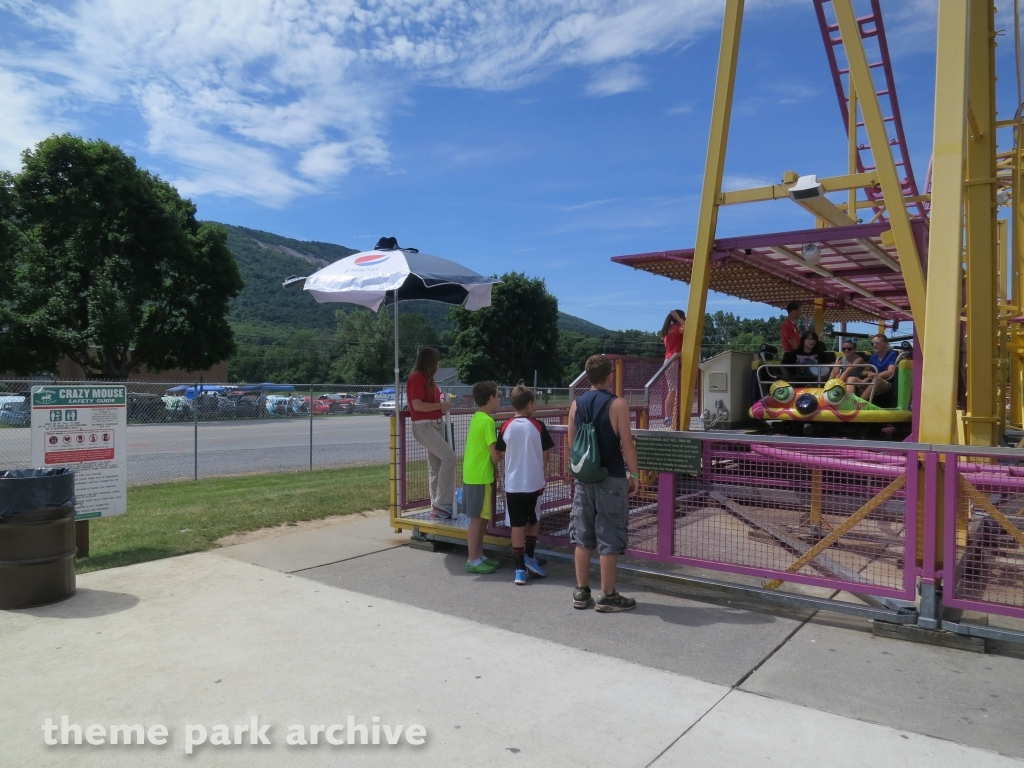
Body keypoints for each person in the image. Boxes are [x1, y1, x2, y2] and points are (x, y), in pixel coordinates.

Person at [566, 355, 640, 612]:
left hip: (584, 478)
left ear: (588, 377)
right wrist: (635, 475)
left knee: (583, 535)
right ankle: (607, 595)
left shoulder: (576, 404)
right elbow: (627, 444)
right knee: (609, 534)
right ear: (610, 376)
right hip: (611, 477)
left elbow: (572, 443)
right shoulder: (617, 404)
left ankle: (581, 591)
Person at [496, 385, 555, 586]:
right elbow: (546, 454)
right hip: (534, 482)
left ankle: (520, 568)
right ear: (530, 404)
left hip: (513, 484)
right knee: (534, 519)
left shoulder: (505, 426)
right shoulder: (538, 426)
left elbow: (502, 453)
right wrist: (539, 469)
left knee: (517, 525)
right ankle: (529, 555)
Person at [407, 347, 455, 518]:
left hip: (436, 424)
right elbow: (417, 405)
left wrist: (439, 406)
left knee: (436, 465)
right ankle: (443, 502)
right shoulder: (416, 377)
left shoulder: (429, 379)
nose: (439, 363)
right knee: (449, 457)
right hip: (424, 426)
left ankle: (436, 504)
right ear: (430, 361)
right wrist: (440, 406)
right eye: (437, 360)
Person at [461, 381, 502, 575]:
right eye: (498, 396)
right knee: (477, 519)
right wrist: (499, 462)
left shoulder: (477, 416)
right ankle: (472, 559)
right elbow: (494, 454)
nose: (499, 399)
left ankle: (479, 555)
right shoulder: (487, 421)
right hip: (481, 475)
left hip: (474, 473)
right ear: (491, 398)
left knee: (482, 518)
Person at [848, 334, 899, 399]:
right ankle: (850, 399)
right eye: (872, 343)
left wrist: (871, 377)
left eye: (877, 343)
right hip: (871, 381)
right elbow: (864, 371)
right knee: (851, 379)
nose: (874, 345)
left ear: (886, 344)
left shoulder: (892, 355)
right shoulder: (873, 357)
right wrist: (867, 374)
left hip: (885, 382)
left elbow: (890, 372)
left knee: (877, 380)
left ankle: (859, 402)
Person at [659, 310, 685, 427]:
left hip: (668, 360)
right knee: (673, 389)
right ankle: (668, 416)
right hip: (674, 360)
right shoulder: (676, 329)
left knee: (673, 389)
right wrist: (679, 318)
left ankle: (670, 416)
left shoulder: (667, 330)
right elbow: (688, 330)